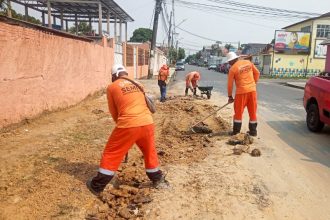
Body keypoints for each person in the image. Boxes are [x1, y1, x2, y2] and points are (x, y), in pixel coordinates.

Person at [87, 64, 166, 196]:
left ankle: (97, 185)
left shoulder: (112, 87)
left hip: (128, 124)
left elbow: (114, 112)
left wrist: (123, 131)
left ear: (114, 75)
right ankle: (158, 179)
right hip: (147, 122)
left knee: (111, 153)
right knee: (149, 151)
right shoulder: (138, 83)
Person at [226, 52, 260, 136]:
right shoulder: (248, 63)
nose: (229, 63)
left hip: (241, 93)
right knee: (253, 112)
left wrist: (230, 96)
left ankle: (236, 132)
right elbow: (257, 73)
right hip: (252, 91)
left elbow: (230, 84)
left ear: (231, 61)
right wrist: (253, 83)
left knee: (238, 112)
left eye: (229, 62)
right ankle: (253, 132)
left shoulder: (233, 69)